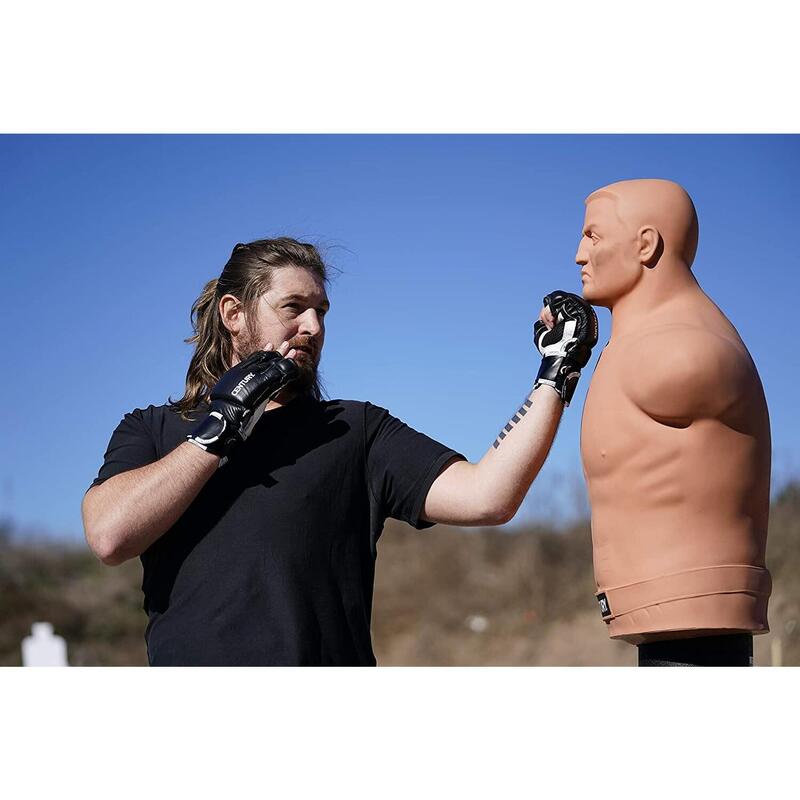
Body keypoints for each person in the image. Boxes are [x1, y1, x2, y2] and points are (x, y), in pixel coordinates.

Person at [83, 237, 598, 666]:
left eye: (321, 311)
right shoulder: (152, 429)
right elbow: (110, 535)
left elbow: (490, 496)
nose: (313, 327)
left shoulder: (353, 430)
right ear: (233, 314)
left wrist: (556, 375)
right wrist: (222, 429)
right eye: (293, 308)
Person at [556, 179, 772, 667]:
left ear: (646, 244)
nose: (578, 255)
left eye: (593, 236)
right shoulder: (638, 348)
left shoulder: (680, 351)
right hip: (655, 615)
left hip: (695, 616)